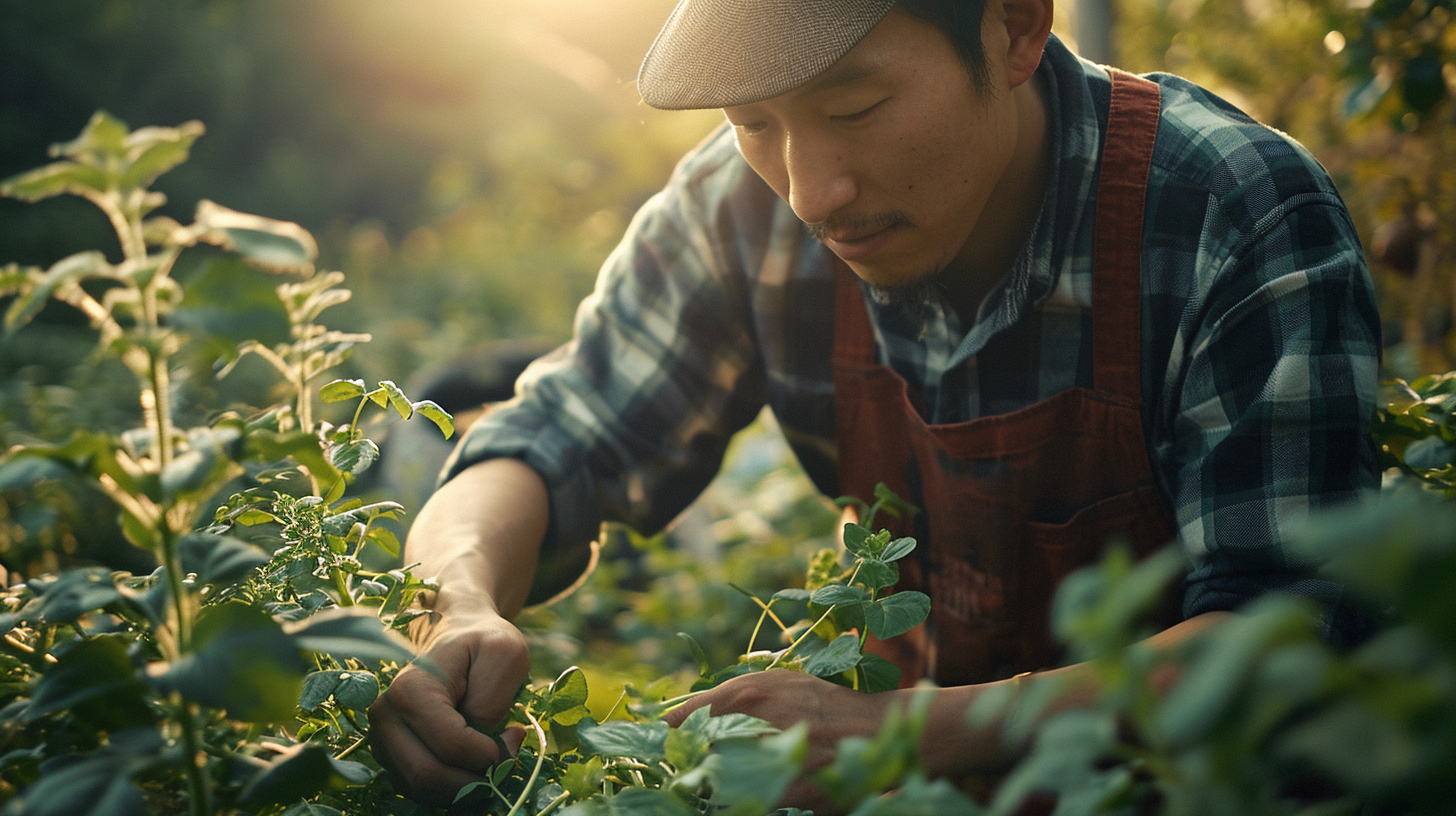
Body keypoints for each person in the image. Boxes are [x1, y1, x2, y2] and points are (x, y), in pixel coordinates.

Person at [368, 0, 1381, 809]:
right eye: (755, 121)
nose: (812, 190)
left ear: (1017, 26)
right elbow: (558, 432)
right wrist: (451, 600)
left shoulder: (1233, 213)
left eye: (853, 107)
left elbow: (1282, 634)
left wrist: (895, 732)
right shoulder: (739, 209)